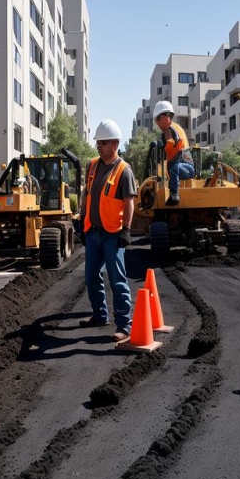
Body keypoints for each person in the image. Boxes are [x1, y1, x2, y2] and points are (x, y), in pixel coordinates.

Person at [78, 119, 138, 342]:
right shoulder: (92, 165)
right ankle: (99, 315)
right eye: (97, 143)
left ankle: (124, 326)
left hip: (113, 234)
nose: (98, 146)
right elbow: (87, 193)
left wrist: (126, 230)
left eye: (102, 142)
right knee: (91, 276)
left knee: (117, 280)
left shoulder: (124, 170)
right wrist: (81, 217)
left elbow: (129, 202)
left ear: (114, 144)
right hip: (93, 232)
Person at [153, 100, 194, 206]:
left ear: (167, 116)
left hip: (188, 168)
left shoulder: (172, 131)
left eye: (158, 119)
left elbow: (175, 150)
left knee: (172, 166)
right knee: (169, 167)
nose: (157, 123)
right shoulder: (170, 130)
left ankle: (174, 195)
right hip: (181, 165)